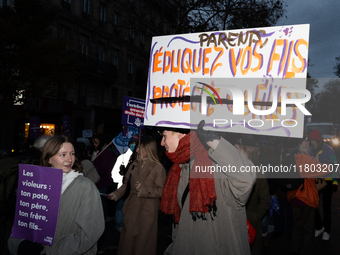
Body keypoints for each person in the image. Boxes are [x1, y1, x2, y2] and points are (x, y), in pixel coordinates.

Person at [159, 121, 256, 255]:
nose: (161, 143)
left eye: (164, 136)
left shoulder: (216, 164)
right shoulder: (179, 169)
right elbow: (181, 221)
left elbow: (246, 178)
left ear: (181, 135)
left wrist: (215, 142)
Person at [8, 135, 105, 254]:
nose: (70, 159)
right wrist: (21, 244)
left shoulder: (86, 187)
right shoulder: (35, 183)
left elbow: (89, 233)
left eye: (72, 154)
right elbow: (22, 222)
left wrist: (51, 251)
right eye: (63, 154)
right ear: (49, 158)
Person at [107, 136, 166, 255]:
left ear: (148, 149)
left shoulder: (158, 168)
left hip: (147, 211)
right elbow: (125, 185)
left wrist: (143, 189)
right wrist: (115, 194)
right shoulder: (134, 164)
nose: (137, 150)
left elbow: (161, 191)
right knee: (127, 243)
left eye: (139, 147)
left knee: (142, 244)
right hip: (132, 209)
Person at [283, 137, 324, 255]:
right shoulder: (304, 157)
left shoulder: (289, 156)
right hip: (306, 197)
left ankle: (294, 250)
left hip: (293, 196)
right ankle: (306, 251)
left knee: (297, 226)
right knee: (308, 229)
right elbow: (321, 170)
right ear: (300, 143)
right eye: (305, 140)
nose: (308, 142)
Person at [235, 135, 270, 255]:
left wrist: (252, 217)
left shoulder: (259, 173)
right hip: (234, 223)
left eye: (240, 150)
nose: (236, 153)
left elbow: (265, 201)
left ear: (247, 153)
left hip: (251, 224)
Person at [308, 129, 338, 241]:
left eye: (314, 141)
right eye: (311, 141)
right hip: (316, 181)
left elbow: (335, 167)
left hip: (328, 181)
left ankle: (327, 231)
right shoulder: (310, 150)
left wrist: (335, 182)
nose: (312, 143)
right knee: (313, 205)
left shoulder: (329, 150)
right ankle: (319, 226)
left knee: (326, 207)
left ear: (319, 141)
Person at [111, 134, 139, 232]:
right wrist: (122, 176)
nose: (133, 145)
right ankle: (119, 226)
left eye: (136, 143)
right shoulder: (121, 158)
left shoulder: (140, 159)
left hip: (135, 190)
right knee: (120, 208)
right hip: (122, 189)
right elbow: (113, 175)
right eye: (132, 143)